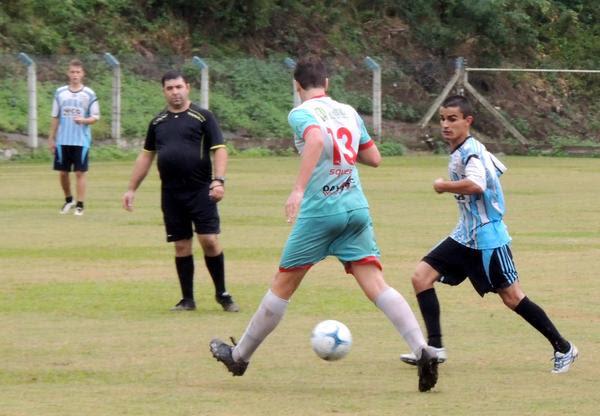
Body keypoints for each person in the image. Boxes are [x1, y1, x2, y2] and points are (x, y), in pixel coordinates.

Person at [209, 56, 439, 392]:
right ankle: (423, 349)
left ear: (297, 86)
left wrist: (298, 189)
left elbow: (316, 140)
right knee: (377, 284)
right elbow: (374, 158)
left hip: (321, 212)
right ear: (327, 83)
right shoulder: (348, 111)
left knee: (282, 284)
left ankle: (239, 356)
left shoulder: (300, 112)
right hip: (355, 207)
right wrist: (343, 154)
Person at [399, 95, 578, 373]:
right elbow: (497, 168)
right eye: (443, 119)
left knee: (512, 297)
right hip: (464, 235)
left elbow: (477, 184)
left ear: (468, 121)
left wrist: (444, 186)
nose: (446, 125)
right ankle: (434, 349)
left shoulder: (470, 152)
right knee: (421, 277)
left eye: (452, 119)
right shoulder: (470, 149)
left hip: (487, 239)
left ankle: (564, 347)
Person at [122, 70, 239, 313]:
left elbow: (219, 149)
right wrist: (131, 188)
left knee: (209, 240)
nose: (175, 92)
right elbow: (146, 156)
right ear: (164, 91)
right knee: (181, 246)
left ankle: (222, 293)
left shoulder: (203, 117)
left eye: (179, 87)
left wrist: (219, 181)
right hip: (171, 194)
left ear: (188, 87)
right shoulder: (157, 123)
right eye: (169, 88)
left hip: (201, 190)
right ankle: (187, 299)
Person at [48, 59, 100, 216]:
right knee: (63, 173)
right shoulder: (60, 93)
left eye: (78, 72)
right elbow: (55, 117)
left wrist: (83, 120)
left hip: (81, 141)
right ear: (68, 73)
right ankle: (68, 199)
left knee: (79, 173)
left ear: (82, 74)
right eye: (72, 72)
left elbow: (95, 117)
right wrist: (51, 138)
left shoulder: (89, 94)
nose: (75, 75)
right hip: (63, 140)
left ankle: (80, 204)